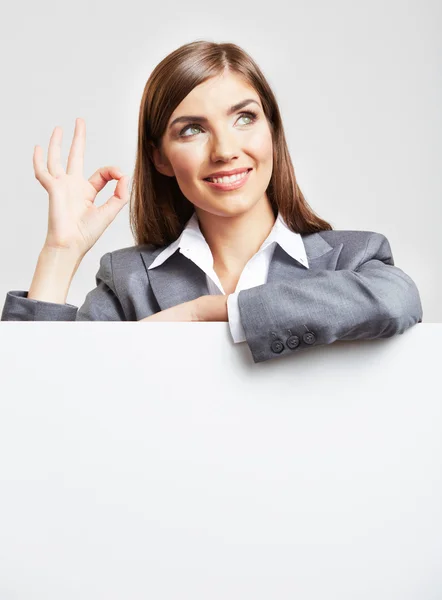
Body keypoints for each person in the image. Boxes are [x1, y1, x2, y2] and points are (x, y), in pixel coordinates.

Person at [1, 40, 423, 364]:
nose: (225, 150)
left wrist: (206, 314)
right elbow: (41, 392)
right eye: (191, 130)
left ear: (272, 131)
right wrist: (61, 252)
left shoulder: (351, 257)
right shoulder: (129, 281)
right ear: (160, 158)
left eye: (244, 118)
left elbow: (396, 300)